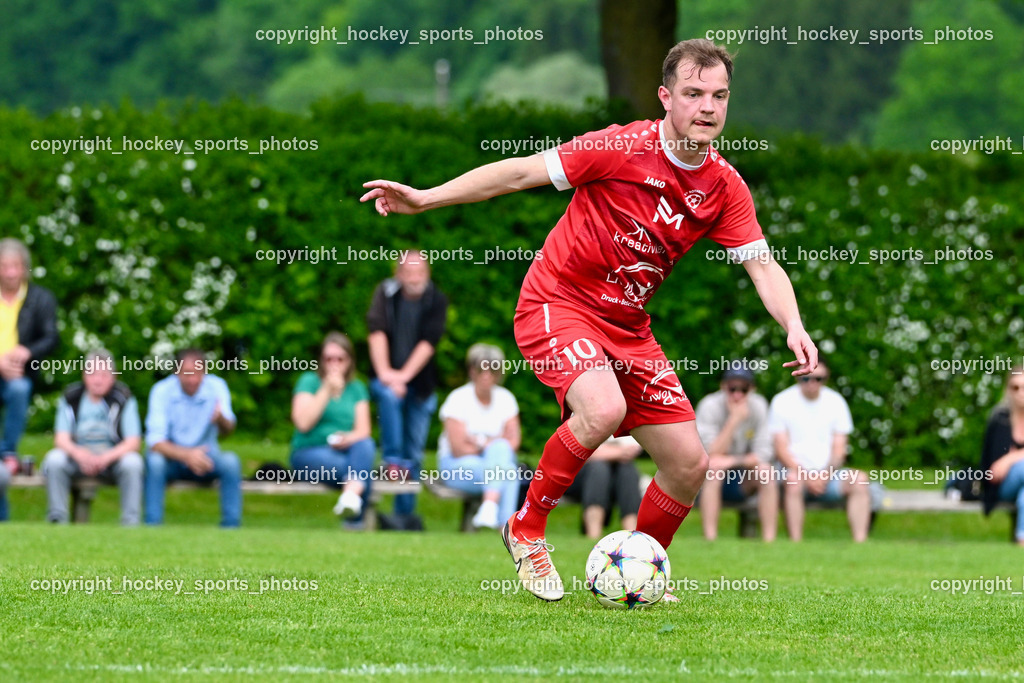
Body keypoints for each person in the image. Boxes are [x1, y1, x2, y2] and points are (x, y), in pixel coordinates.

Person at [361, 38, 817, 601]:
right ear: (665, 97)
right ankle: (526, 528)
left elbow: (763, 266)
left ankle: (639, 570)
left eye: (719, 96)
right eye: (693, 93)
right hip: (557, 302)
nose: (707, 107)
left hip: (628, 328)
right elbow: (519, 173)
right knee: (602, 409)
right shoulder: (620, 146)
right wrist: (426, 199)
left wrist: (794, 326)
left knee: (688, 463)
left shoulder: (723, 186)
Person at [366, 250, 448, 519]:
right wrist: (386, 375)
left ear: (428, 274)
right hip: (386, 376)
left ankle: (403, 516)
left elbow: (428, 343)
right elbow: (376, 332)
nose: (414, 278)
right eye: (409, 272)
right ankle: (391, 460)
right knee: (389, 397)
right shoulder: (385, 293)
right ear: (398, 274)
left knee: (414, 453)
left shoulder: (436, 299)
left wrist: (402, 377)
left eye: (420, 273)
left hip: (421, 385)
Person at [768, 359, 870, 542]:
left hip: (829, 475)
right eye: (805, 378)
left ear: (826, 378)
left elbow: (839, 450)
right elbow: (781, 449)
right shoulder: (782, 401)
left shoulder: (836, 402)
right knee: (792, 481)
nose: (812, 383)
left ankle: (860, 543)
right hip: (794, 473)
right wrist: (806, 476)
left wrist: (824, 475)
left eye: (818, 378)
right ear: (797, 377)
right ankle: (795, 543)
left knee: (860, 479)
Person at [41, 350, 143, 524]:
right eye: (93, 374)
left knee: (133, 462)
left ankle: (130, 522)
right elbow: (61, 439)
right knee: (54, 459)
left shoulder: (124, 398)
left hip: (112, 459)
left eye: (104, 375)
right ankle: (57, 519)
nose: (98, 380)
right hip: (77, 458)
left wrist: (105, 458)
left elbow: (133, 442)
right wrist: (79, 454)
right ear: (84, 375)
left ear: (113, 377)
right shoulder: (71, 397)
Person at [144, 348, 242, 527]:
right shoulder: (161, 390)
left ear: (205, 372)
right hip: (172, 459)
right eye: (187, 373)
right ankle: (152, 524)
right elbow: (155, 442)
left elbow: (229, 430)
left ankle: (231, 526)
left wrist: (220, 419)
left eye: (198, 373)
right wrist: (187, 455)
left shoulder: (217, 387)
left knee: (231, 462)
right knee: (155, 462)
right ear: (176, 372)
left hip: (207, 459)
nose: (193, 379)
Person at [290, 332, 376, 527]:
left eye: (340, 359)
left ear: (349, 361)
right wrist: (326, 390)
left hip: (346, 450)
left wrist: (348, 437)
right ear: (321, 361)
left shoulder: (356, 388)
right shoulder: (309, 381)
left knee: (365, 445)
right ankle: (354, 521)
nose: (334, 364)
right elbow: (303, 423)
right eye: (328, 359)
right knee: (361, 471)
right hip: (309, 452)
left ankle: (350, 499)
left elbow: (364, 430)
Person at [0, 238, 58, 521]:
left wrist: (27, 351)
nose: (10, 272)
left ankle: (7, 452)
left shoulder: (40, 298)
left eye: (15, 266)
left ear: (25, 268)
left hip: (19, 373)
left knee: (20, 389)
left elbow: (51, 337)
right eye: (4, 266)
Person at [437, 344, 521, 530]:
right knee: (508, 471)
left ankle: (490, 511)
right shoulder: (457, 399)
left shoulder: (506, 399)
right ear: (472, 371)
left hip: (490, 465)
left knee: (505, 461)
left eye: (493, 370)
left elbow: (513, 442)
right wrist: (489, 444)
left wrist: (478, 442)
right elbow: (458, 449)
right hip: (457, 466)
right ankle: (506, 529)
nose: (486, 375)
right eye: (481, 369)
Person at [695, 364, 777, 541]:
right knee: (714, 470)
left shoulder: (759, 406)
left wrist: (730, 461)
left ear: (752, 389)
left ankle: (770, 541)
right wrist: (734, 420)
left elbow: (764, 454)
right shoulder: (709, 406)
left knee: (766, 472)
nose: (737, 394)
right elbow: (709, 453)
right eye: (732, 388)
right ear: (723, 386)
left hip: (743, 478)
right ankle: (710, 539)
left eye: (744, 389)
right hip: (707, 480)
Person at [564, 435, 643, 539]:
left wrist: (599, 452)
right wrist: (618, 452)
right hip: (579, 480)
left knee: (627, 470)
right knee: (598, 468)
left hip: (616, 480)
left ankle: (633, 534)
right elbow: (577, 452)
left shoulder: (628, 426)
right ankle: (594, 533)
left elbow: (631, 451)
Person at [980, 365, 1024, 545]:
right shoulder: (1000, 420)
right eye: (1015, 387)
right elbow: (994, 472)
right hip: (1002, 486)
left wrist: (1012, 457)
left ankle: (1022, 539)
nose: (1020, 392)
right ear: (1008, 390)